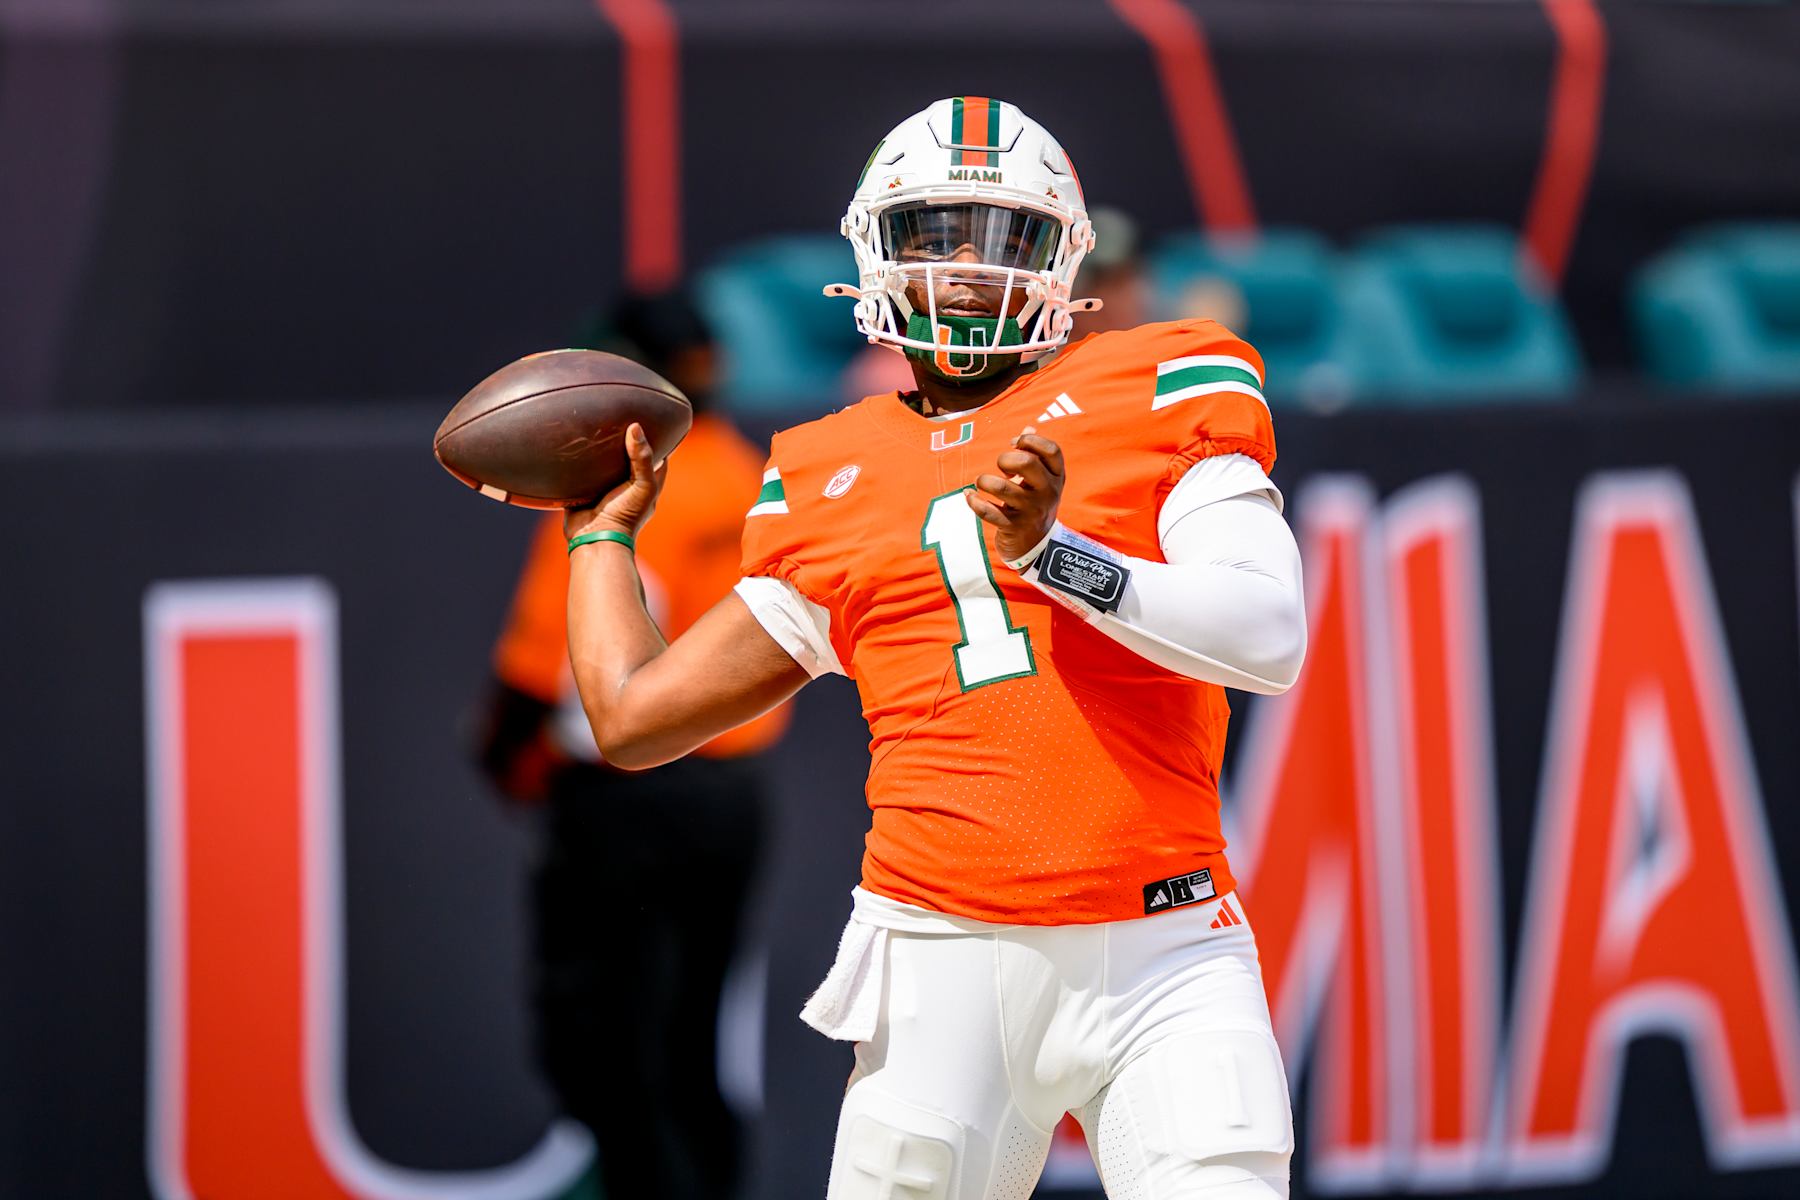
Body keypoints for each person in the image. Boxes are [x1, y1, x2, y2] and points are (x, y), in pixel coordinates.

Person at [560, 98, 1306, 1199]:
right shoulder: (824, 470)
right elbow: (630, 716)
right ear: (873, 253)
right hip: (938, 956)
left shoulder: (1162, 378)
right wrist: (600, 533)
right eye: (934, 234)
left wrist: (1055, 555)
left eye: (1001, 236)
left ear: (1062, 257)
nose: (965, 266)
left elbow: (1267, 634)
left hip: (1167, 947)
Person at [474, 288, 788, 1200]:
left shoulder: (617, 490)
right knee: (693, 1042)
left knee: (603, 1044)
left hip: (627, 794)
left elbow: (546, 662)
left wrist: (502, 755)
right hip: (734, 792)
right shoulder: (750, 473)